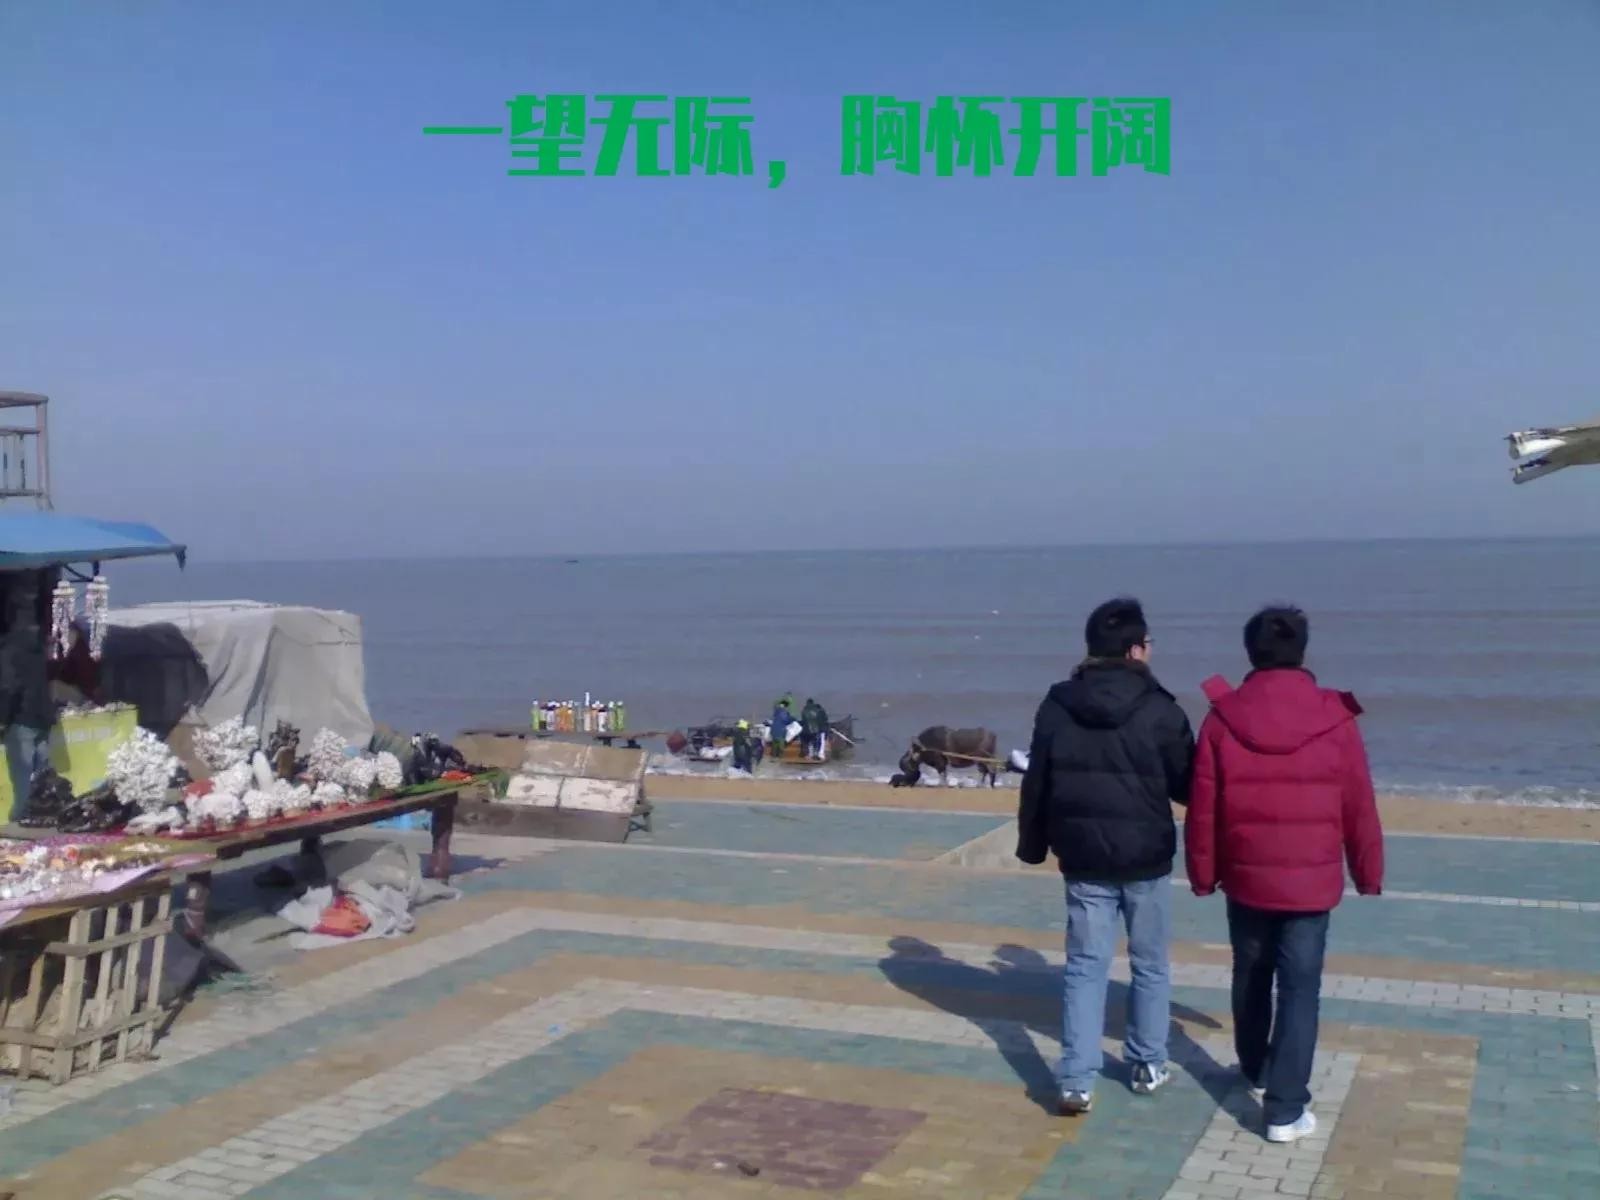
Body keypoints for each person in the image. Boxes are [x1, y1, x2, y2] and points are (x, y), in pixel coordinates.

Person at [1185, 606, 1383, 1145]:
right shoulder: (1334, 719)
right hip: (1311, 884)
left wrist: (1202, 874)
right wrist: (1367, 872)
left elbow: (1204, 808)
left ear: (1251, 652)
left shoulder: (1223, 717)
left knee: (1251, 974)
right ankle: (1284, 1110)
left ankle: (1255, 1069)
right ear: (1302, 651)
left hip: (1246, 877)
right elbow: (1359, 804)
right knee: (1299, 989)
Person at [1017, 597, 1195, 1115]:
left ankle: (1076, 1078)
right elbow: (1188, 785)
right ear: (1135, 650)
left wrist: (1033, 845)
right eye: (1148, 644)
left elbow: (1038, 780)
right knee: (1150, 964)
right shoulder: (1161, 708)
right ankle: (1147, 1062)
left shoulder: (1058, 704)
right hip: (1145, 856)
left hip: (1083, 854)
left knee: (1085, 966)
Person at [0, 569, 58, 822]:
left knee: (22, 773)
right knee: (42, 773)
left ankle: (23, 818)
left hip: (21, 718)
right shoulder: (37, 645)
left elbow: (8, 687)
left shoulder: (8, 647)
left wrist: (2, 720)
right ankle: (44, 814)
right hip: (42, 716)